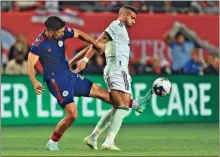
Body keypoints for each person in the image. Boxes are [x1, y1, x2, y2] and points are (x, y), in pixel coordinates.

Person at [27, 16, 152, 151]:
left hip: (69, 75)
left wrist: (96, 43)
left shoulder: (61, 33)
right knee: (72, 115)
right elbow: (30, 64)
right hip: (56, 81)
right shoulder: (39, 45)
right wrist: (34, 81)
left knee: (103, 94)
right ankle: (52, 142)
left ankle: (135, 104)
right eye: (60, 32)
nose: (64, 34)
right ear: (51, 32)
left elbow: (79, 34)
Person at [70, 5, 153, 150]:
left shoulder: (120, 31)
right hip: (117, 70)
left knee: (118, 107)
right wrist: (84, 61)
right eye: (132, 17)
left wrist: (74, 61)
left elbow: (94, 45)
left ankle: (93, 137)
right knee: (123, 107)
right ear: (123, 15)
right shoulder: (117, 25)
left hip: (116, 70)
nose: (134, 21)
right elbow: (99, 41)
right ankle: (109, 141)